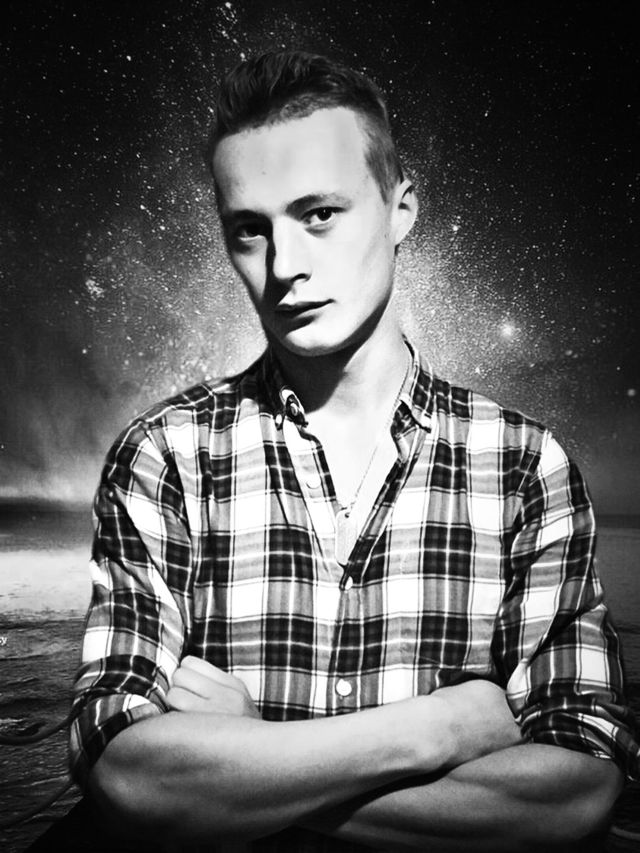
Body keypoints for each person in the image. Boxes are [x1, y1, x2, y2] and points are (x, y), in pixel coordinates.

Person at [69, 50, 639, 852]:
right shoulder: (165, 456)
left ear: (401, 209)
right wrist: (435, 728)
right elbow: (126, 773)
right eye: (249, 230)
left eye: (320, 214)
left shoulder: (524, 468)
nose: (286, 266)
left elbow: (577, 792)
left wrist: (255, 758)